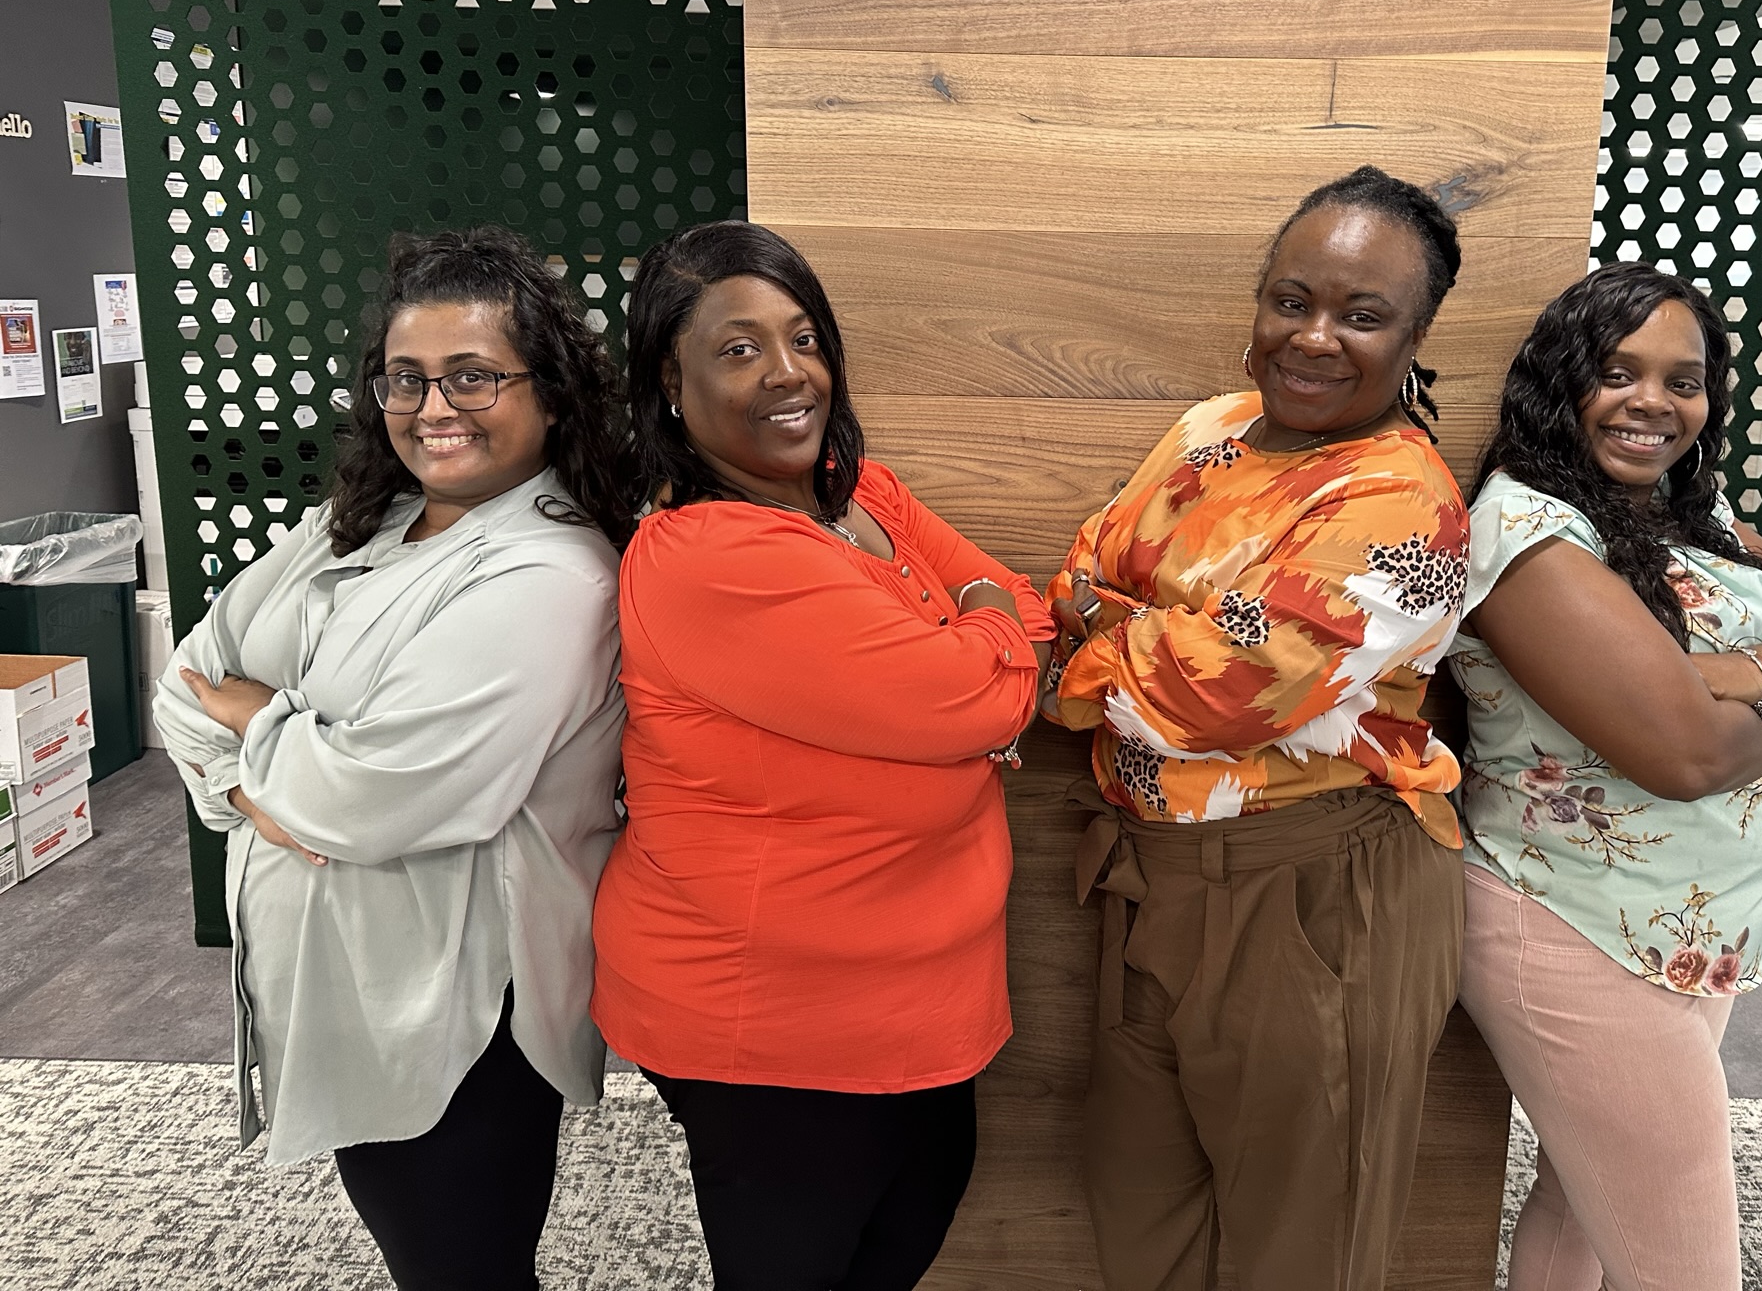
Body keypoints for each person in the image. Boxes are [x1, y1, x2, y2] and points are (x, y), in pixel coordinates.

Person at [153, 227, 633, 1291]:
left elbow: (375, 799)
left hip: (455, 1012)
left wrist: (261, 727)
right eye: (404, 379)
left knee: (461, 1264)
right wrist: (258, 771)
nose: (431, 408)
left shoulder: (553, 574)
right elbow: (187, 680)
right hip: (343, 985)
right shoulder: (363, 523)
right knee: (416, 1242)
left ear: (549, 395)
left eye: (474, 377)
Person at [591, 220, 1054, 1291]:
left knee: (896, 1243)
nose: (786, 373)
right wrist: (979, 652)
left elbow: (1019, 618)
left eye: (802, 338)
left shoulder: (859, 494)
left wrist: (980, 658)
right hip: (771, 1019)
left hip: (919, 995)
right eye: (737, 349)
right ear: (669, 382)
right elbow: (986, 693)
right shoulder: (709, 557)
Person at [1044, 165, 1472, 1291]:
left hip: (1318, 893)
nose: (1314, 337)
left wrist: (1128, 629)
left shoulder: (1401, 503)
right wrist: (1140, 631)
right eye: (1291, 300)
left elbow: (1206, 700)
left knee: (1302, 1252)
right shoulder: (1208, 432)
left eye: (1360, 314)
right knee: (1141, 1220)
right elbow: (1074, 578)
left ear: (1414, 334)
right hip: (1149, 883)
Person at [1450, 263, 1762, 1291]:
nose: (1652, 402)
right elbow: (1684, 755)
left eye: (1681, 381)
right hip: (1574, 923)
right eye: (1616, 372)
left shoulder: (1685, 510)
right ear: (1558, 383)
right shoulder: (1525, 537)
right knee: (1686, 1267)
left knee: (1580, 1207)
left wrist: (1720, 680)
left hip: (1690, 921)